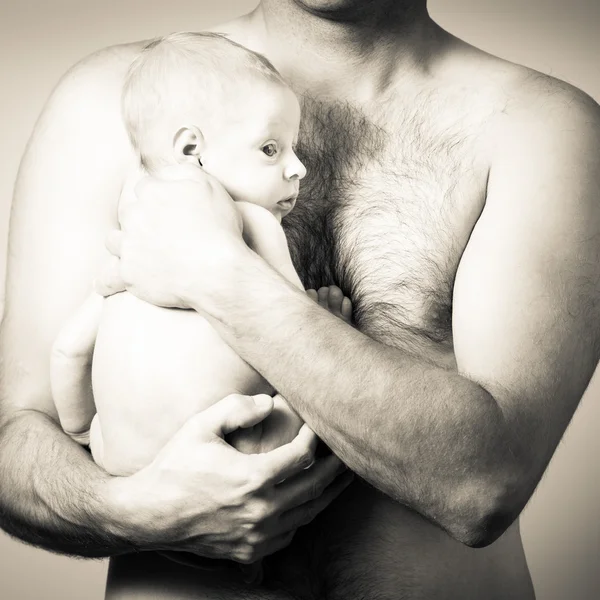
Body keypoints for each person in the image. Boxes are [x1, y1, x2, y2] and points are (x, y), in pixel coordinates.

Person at [1, 1, 599, 599]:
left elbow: (482, 486)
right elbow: (13, 440)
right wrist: (132, 512)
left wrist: (216, 274)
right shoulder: (118, 99)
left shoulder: (539, 128)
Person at [51, 31, 352, 478]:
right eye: (271, 149)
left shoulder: (130, 242)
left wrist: (83, 430)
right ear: (192, 150)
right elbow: (294, 333)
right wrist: (332, 323)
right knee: (310, 408)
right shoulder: (255, 222)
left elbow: (69, 350)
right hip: (225, 450)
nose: (298, 167)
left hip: (119, 457)